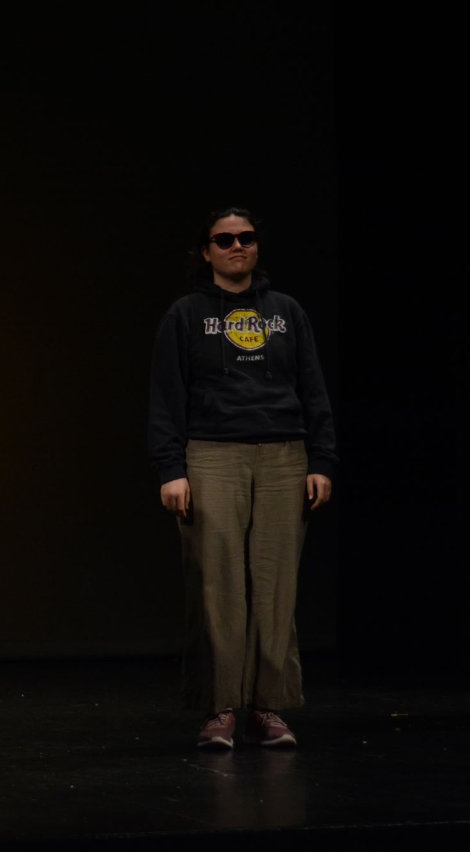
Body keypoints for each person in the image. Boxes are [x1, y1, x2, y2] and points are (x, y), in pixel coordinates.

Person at [148, 207, 337, 750]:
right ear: (206, 251)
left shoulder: (286, 311)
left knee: (275, 587)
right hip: (213, 454)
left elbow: (313, 387)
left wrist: (322, 460)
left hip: (283, 455)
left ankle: (268, 707)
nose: (237, 246)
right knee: (218, 585)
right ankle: (221, 708)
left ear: (257, 246)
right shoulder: (186, 314)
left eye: (246, 238)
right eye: (225, 239)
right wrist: (172, 469)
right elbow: (166, 396)